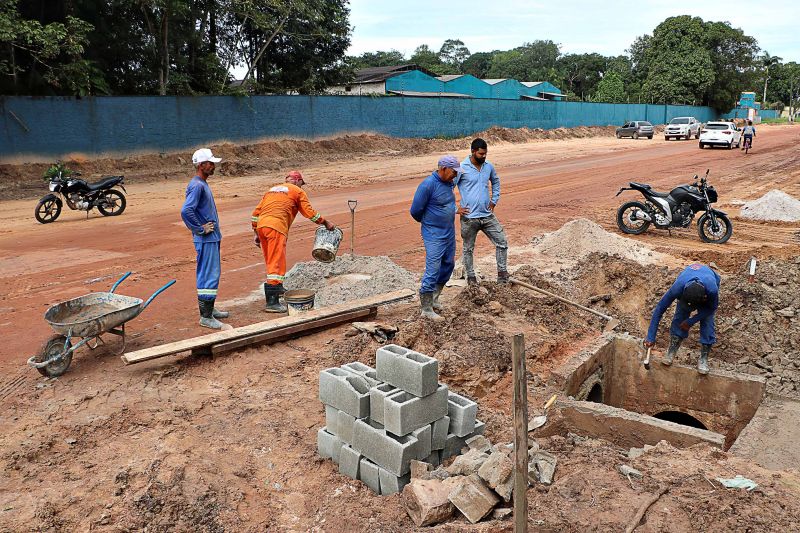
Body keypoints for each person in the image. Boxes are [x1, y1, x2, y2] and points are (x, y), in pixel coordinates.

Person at [251, 171, 336, 313]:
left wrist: (256, 233)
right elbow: (309, 212)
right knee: (276, 261)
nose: (301, 187)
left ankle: (277, 287)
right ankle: (272, 302)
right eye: (301, 184)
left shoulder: (271, 190)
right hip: (276, 227)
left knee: (270, 259)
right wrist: (325, 222)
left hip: (262, 227)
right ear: (297, 181)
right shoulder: (297, 191)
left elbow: (255, 214)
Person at [410, 155, 467, 321]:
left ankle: (434, 298)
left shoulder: (448, 182)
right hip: (433, 233)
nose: (455, 175)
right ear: (442, 169)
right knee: (433, 268)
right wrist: (430, 222)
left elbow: (445, 202)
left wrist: (453, 209)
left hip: (448, 231)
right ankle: (426, 308)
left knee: (448, 264)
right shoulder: (428, 185)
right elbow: (415, 211)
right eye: (453, 172)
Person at [180, 148, 229, 329]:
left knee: (211, 274)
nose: (213, 166)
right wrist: (200, 229)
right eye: (210, 163)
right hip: (206, 239)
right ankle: (206, 317)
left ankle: (210, 309)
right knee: (209, 274)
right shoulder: (198, 185)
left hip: (211, 238)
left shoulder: (201, 183)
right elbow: (186, 210)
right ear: (201, 165)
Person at [644, 263, 720, 374]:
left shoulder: (712, 290)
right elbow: (659, 309)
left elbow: (712, 308)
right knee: (680, 316)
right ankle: (672, 350)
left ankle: (703, 358)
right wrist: (650, 337)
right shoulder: (677, 288)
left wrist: (691, 321)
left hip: (707, 287)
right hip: (687, 280)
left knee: (707, 321)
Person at [455, 138, 509, 286]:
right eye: (481, 154)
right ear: (473, 152)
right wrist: (455, 209)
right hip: (469, 218)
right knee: (468, 248)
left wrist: (494, 200)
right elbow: (448, 187)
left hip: (487, 215)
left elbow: (496, 182)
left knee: (502, 242)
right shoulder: (461, 167)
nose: (484, 157)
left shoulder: (489, 167)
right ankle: (471, 279)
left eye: (485, 154)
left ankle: (503, 276)